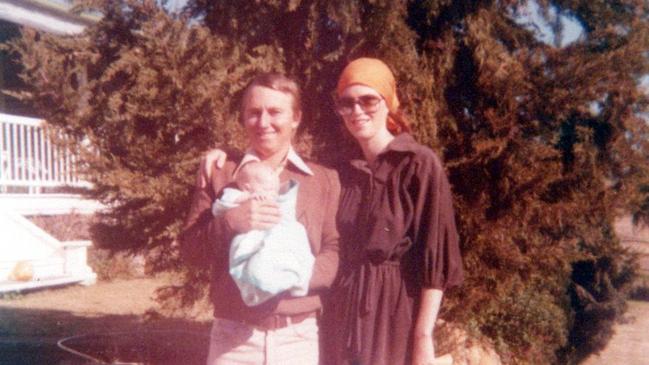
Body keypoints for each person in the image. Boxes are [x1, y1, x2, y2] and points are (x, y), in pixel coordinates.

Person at [202, 58, 463, 365]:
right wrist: (227, 157)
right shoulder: (342, 172)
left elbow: (436, 259)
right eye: (347, 103)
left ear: (389, 102)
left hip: (392, 315)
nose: (357, 111)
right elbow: (270, 156)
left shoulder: (419, 164)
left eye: (368, 100)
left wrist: (423, 337)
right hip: (340, 315)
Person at [179, 72, 341, 365]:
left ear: (296, 118)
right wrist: (230, 223)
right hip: (234, 341)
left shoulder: (323, 181)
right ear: (243, 118)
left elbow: (334, 248)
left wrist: (298, 277)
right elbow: (190, 251)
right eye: (254, 113)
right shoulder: (220, 173)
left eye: (275, 112)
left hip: (298, 339)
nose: (263, 122)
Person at [212, 161, 315, 307]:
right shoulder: (235, 193)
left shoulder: (275, 195)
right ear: (247, 187)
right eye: (268, 189)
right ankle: (255, 291)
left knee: (298, 234)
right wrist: (246, 198)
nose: (273, 193)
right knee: (254, 262)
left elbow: (286, 211)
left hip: (275, 235)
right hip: (250, 238)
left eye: (275, 189)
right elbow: (219, 207)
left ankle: (299, 281)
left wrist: (285, 194)